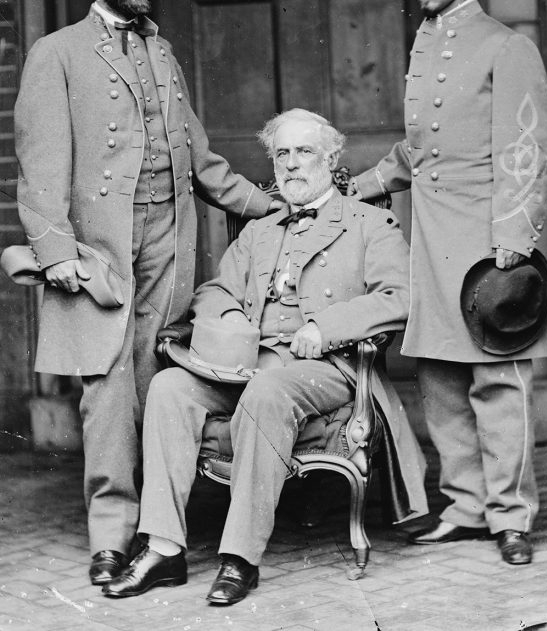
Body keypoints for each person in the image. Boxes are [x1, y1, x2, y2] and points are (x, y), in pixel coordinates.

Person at [13, 0, 281, 585]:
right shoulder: (59, 52)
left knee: (160, 380)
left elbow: (202, 161)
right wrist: (54, 251)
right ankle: (111, 533)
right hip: (102, 245)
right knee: (107, 386)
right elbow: (40, 167)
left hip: (169, 234)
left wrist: (268, 203)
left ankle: (159, 533)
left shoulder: (161, 55)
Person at [101, 108, 428, 604]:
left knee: (269, 390)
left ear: (332, 159)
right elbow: (214, 290)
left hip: (326, 370)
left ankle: (239, 558)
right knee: (169, 387)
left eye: (305, 152)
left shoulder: (370, 223)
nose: (292, 165)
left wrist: (327, 326)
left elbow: (399, 297)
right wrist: (229, 319)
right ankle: (164, 547)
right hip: (248, 366)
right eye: (282, 154)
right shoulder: (258, 231)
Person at [350, 0, 547, 565]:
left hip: (486, 241)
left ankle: (511, 516)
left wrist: (514, 236)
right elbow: (418, 152)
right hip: (432, 237)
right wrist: (363, 183)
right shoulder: (423, 43)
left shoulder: (504, 45)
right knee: (441, 380)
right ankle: (466, 505)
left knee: (497, 382)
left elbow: (532, 146)